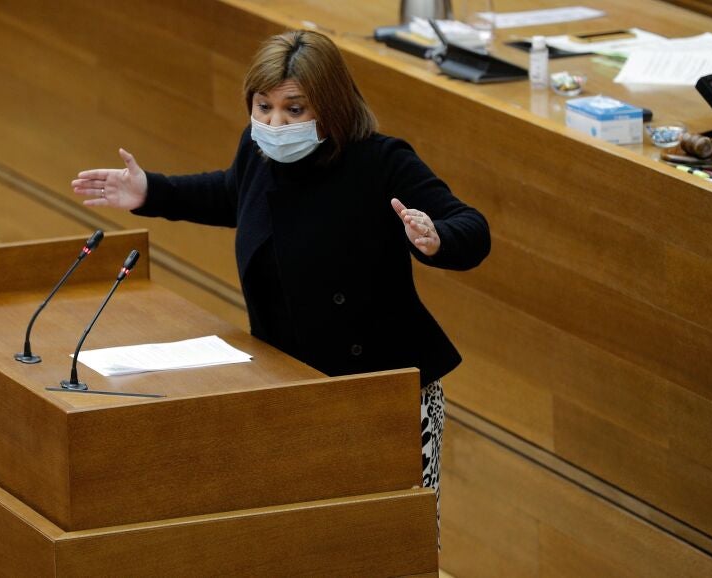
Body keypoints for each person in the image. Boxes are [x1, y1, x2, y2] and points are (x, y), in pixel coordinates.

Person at [72, 29, 490, 532]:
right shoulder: (258, 154)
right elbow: (230, 194)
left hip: (383, 396)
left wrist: (436, 237)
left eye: (294, 109)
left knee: (390, 540)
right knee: (302, 539)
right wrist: (150, 192)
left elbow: (472, 227)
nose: (275, 124)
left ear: (331, 106)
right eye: (264, 107)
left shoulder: (379, 161)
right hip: (288, 385)